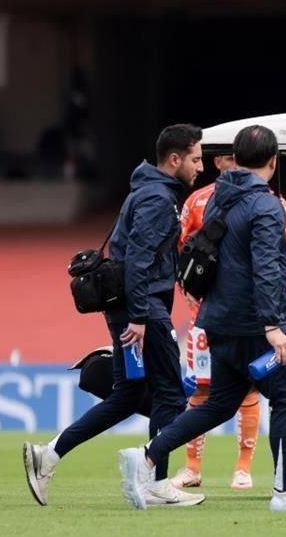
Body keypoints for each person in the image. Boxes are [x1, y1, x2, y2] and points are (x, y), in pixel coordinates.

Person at [118, 124, 286, 512]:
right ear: (273, 160)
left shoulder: (218, 198)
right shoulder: (266, 205)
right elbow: (267, 266)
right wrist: (273, 324)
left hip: (217, 321)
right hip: (253, 322)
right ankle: (285, 492)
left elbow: (232, 263)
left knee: (219, 404)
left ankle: (148, 454)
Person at [23, 124, 204, 507]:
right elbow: (138, 261)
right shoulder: (157, 199)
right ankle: (155, 483)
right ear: (175, 159)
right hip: (144, 311)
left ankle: (49, 454)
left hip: (128, 307)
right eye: (196, 159)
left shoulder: (146, 191)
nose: (200, 167)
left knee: (127, 396)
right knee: (170, 395)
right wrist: (139, 317)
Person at [171, 154, 286, 490]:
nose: (232, 163)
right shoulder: (229, 201)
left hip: (217, 316)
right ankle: (202, 468)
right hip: (242, 317)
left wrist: (283, 291)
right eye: (226, 157)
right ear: (220, 161)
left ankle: (240, 468)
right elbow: (183, 253)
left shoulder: (212, 201)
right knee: (215, 392)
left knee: (227, 394)